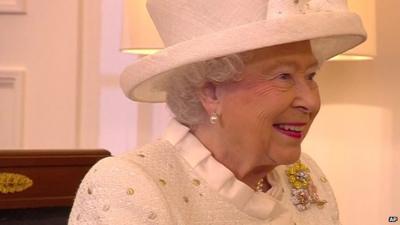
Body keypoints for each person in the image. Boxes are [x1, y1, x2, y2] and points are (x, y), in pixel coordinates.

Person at [69, 0, 366, 224]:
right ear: (211, 92)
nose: (310, 102)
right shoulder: (130, 183)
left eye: (311, 77)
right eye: (284, 77)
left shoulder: (305, 173)